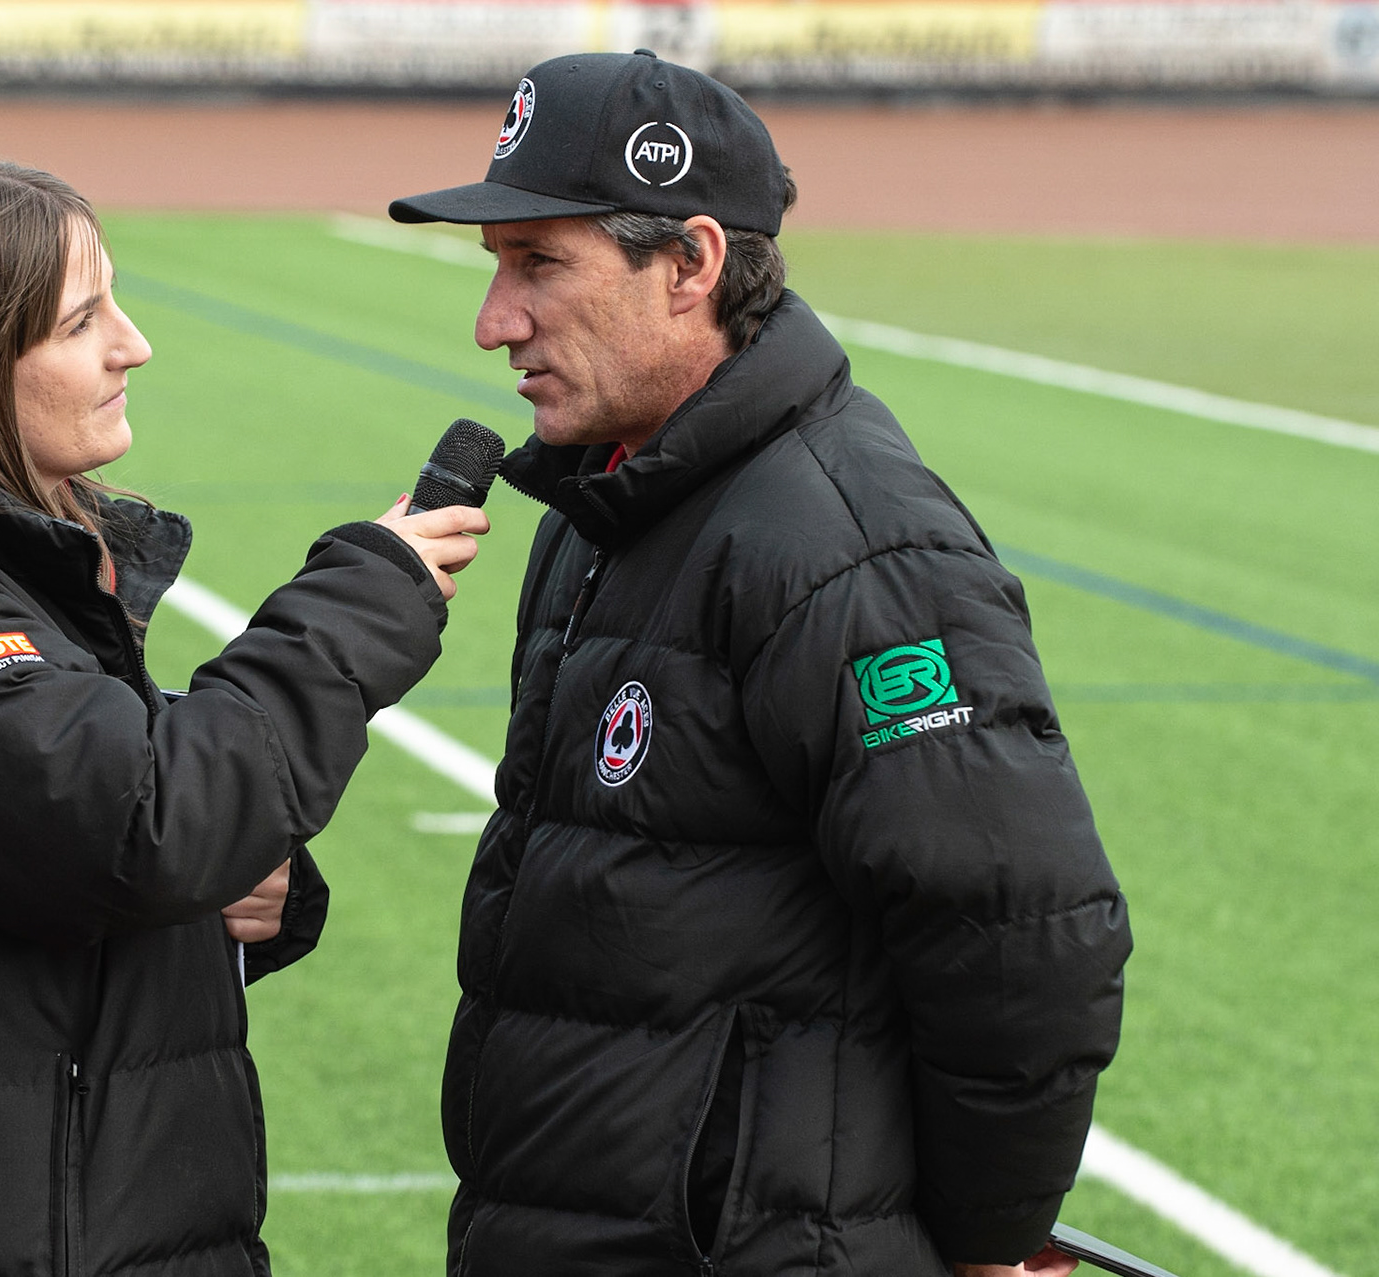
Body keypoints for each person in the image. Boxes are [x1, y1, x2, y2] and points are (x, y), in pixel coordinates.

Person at [388, 51, 1132, 1277]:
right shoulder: (600, 501)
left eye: (540, 265)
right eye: (495, 269)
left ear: (691, 265)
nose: (493, 322)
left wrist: (994, 1237)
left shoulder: (847, 543)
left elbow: (1019, 923)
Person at [0, 157, 487, 1276]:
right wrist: (362, 596)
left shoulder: (1, 578)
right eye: (83, 320)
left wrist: (240, 883)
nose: (133, 343)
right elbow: (141, 824)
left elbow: (71, 842)